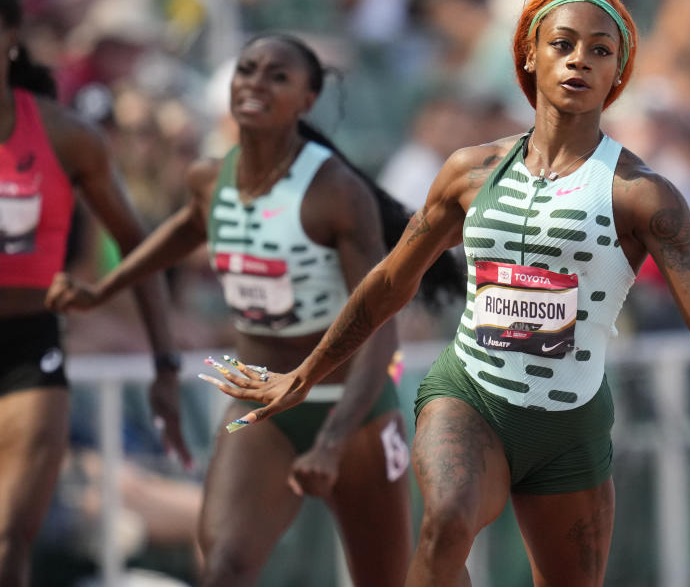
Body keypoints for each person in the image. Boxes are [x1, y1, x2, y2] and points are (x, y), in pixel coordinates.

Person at [202, 0, 690, 586]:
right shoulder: (468, 172)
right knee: (444, 524)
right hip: (468, 394)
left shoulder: (643, 197)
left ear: (617, 74)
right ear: (529, 55)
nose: (579, 61)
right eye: (563, 44)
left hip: (570, 426)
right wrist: (304, 375)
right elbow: (389, 283)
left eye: (600, 51)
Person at [47, 31, 462, 587]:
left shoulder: (335, 193)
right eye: (248, 69)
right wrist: (99, 293)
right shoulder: (208, 180)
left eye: (278, 76)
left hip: (353, 413)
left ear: (308, 99)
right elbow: (166, 241)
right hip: (260, 410)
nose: (256, 84)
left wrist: (335, 440)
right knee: (225, 565)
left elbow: (380, 332)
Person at [0, 0, 188, 587]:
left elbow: (140, 246)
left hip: (31, 351)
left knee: (8, 542)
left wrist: (163, 362)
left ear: (11, 38)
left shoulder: (63, 135)